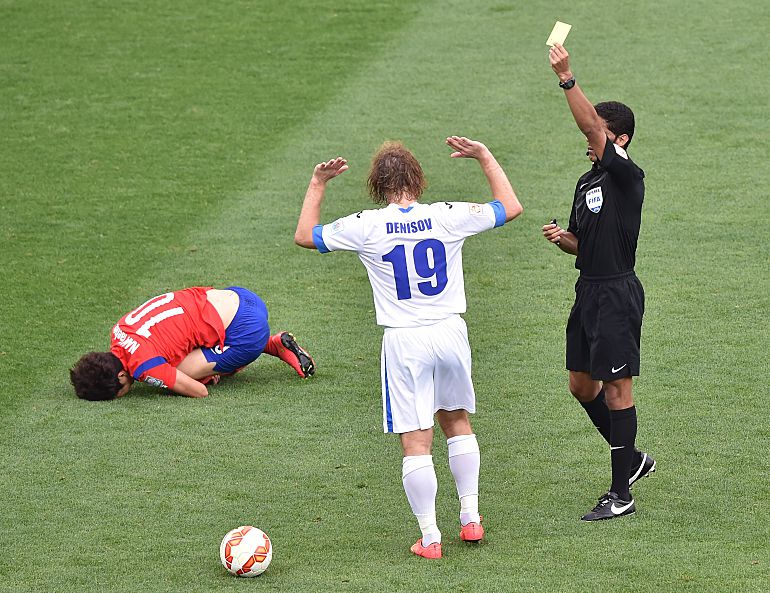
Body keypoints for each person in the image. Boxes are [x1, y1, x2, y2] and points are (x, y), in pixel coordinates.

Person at [295, 137, 522, 558]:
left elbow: (305, 235)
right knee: (457, 421)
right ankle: (471, 519)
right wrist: (485, 156)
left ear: (377, 185)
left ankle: (431, 538)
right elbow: (509, 206)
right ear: (418, 180)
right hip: (450, 332)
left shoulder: (366, 225)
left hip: (405, 340)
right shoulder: (446, 215)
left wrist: (318, 182)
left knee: (416, 442)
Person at [542, 43, 655, 521]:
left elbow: (589, 124)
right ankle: (633, 459)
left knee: (616, 390)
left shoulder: (627, 175)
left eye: (601, 133)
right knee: (581, 386)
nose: (590, 139)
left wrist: (566, 77)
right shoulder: (586, 183)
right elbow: (582, 244)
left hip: (617, 293)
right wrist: (563, 239)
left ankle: (621, 495)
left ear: (620, 139)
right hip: (587, 291)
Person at [70, 286, 315, 400]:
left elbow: (199, 392)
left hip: (247, 330)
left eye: (117, 392)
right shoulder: (118, 330)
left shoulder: (145, 366)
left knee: (181, 373)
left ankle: (263, 345)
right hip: (241, 296)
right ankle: (272, 344)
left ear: (122, 375)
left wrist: (174, 381)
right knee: (175, 352)